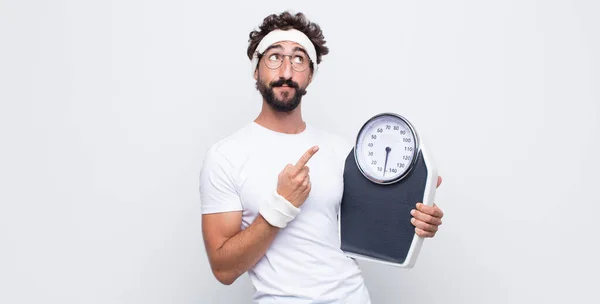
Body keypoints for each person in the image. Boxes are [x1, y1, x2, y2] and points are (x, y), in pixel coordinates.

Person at [199, 11, 444, 303]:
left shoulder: (343, 153)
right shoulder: (225, 156)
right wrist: (281, 206)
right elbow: (223, 269)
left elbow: (369, 228)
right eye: (275, 57)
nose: (287, 72)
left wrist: (414, 214)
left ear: (311, 74)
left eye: (299, 59)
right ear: (256, 69)